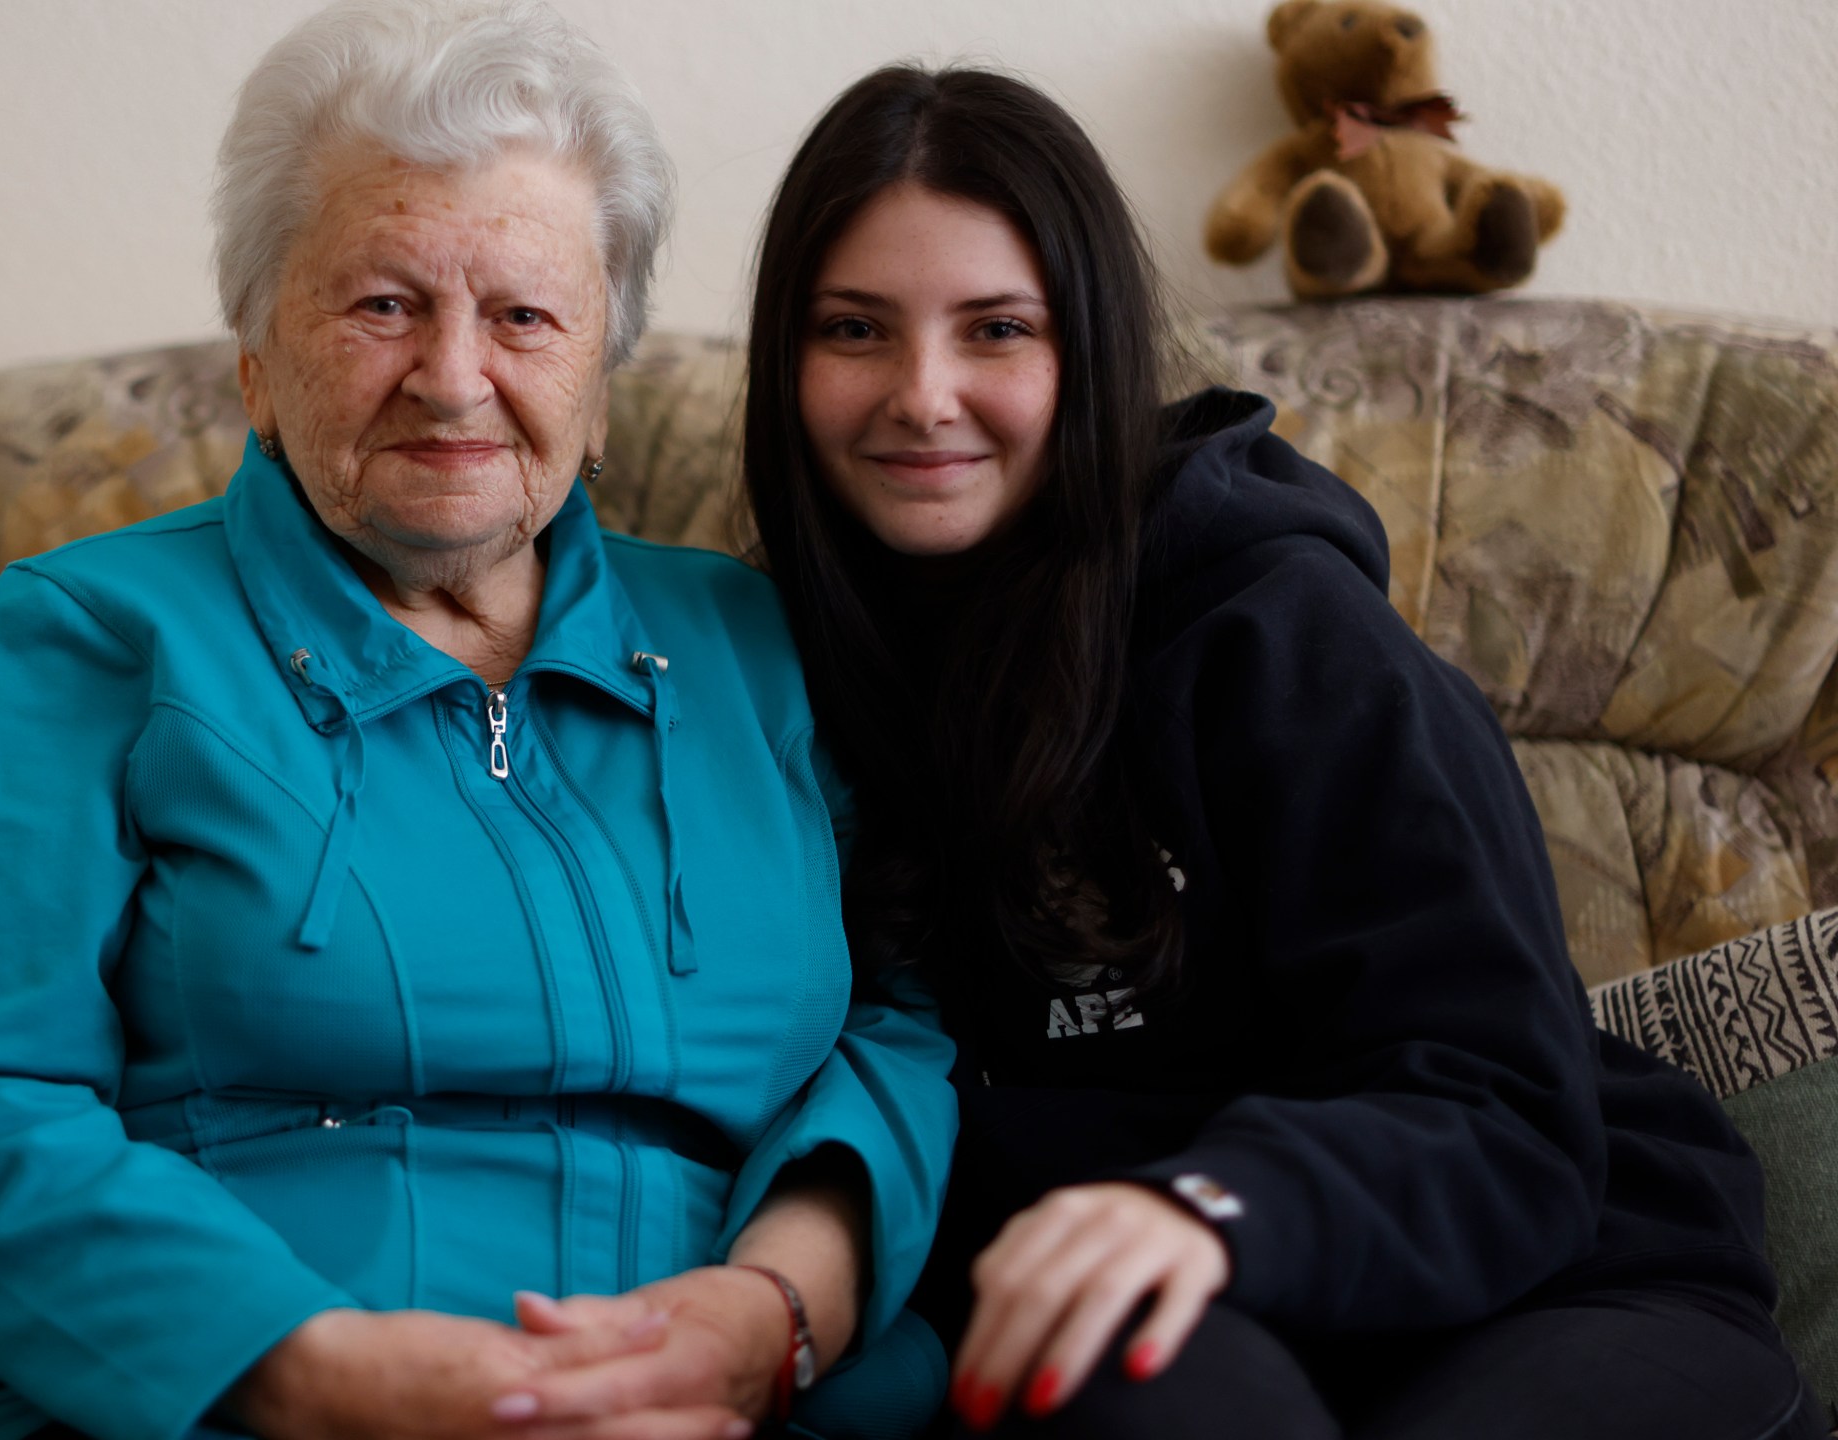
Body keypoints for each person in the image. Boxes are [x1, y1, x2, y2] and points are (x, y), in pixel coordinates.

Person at [0, 6, 959, 1439]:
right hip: (225, 1403)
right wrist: (321, 1374)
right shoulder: (94, 634)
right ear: (253, 356)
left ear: (600, 380)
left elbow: (894, 1020)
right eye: (381, 303)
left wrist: (776, 1315)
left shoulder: (756, 646)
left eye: (525, 315)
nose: (451, 376)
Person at [739, 64, 1821, 1439]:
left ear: (1093, 352)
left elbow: (1504, 1111)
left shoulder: (1279, 627)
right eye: (855, 330)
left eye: (998, 329)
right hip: (1148, 1314)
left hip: (1550, 1275)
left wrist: (1207, 1207)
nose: (923, 394)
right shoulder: (761, 676)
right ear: (788, 360)